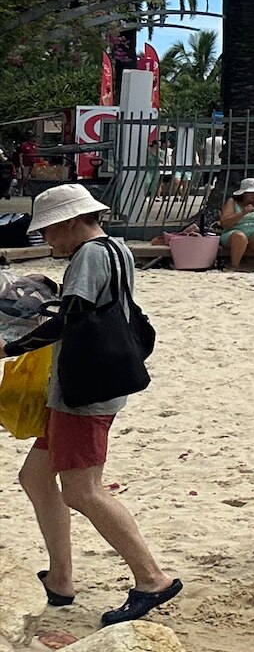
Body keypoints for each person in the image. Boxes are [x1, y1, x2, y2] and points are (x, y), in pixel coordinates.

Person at [7, 184, 179, 624]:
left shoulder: (88, 255)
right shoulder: (117, 247)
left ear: (68, 222)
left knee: (83, 490)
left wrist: (11, 347)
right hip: (92, 383)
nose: (48, 241)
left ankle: (151, 578)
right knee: (35, 477)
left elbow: (72, 317)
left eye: (48, 232)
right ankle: (61, 578)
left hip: (84, 391)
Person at [219, 179, 254, 271]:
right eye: (251, 193)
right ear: (244, 193)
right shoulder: (232, 202)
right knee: (240, 237)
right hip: (233, 232)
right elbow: (224, 223)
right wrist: (243, 213)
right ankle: (234, 266)